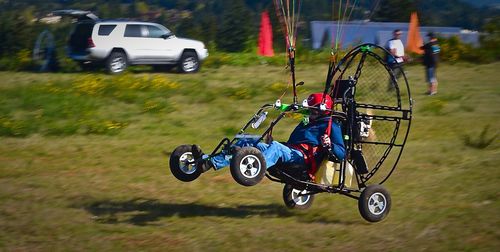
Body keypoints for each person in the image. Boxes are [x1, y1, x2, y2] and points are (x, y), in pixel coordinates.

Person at [192, 93, 346, 179]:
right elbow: (293, 143)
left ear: (322, 111)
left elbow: (342, 153)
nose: (309, 113)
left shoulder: (331, 125)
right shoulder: (308, 121)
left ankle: (255, 167)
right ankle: (208, 162)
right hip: (290, 151)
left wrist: (329, 145)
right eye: (309, 110)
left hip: (303, 160)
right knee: (250, 141)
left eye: (313, 111)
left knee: (276, 148)